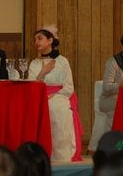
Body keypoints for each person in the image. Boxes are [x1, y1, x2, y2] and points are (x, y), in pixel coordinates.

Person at [27, 25, 82, 162]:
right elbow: (31, 85)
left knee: (57, 108)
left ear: (50, 40)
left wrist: (52, 96)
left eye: (40, 38)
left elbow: (69, 87)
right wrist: (43, 72)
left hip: (59, 96)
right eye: (35, 39)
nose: (37, 42)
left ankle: (61, 156)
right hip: (39, 96)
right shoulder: (34, 63)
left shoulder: (62, 61)